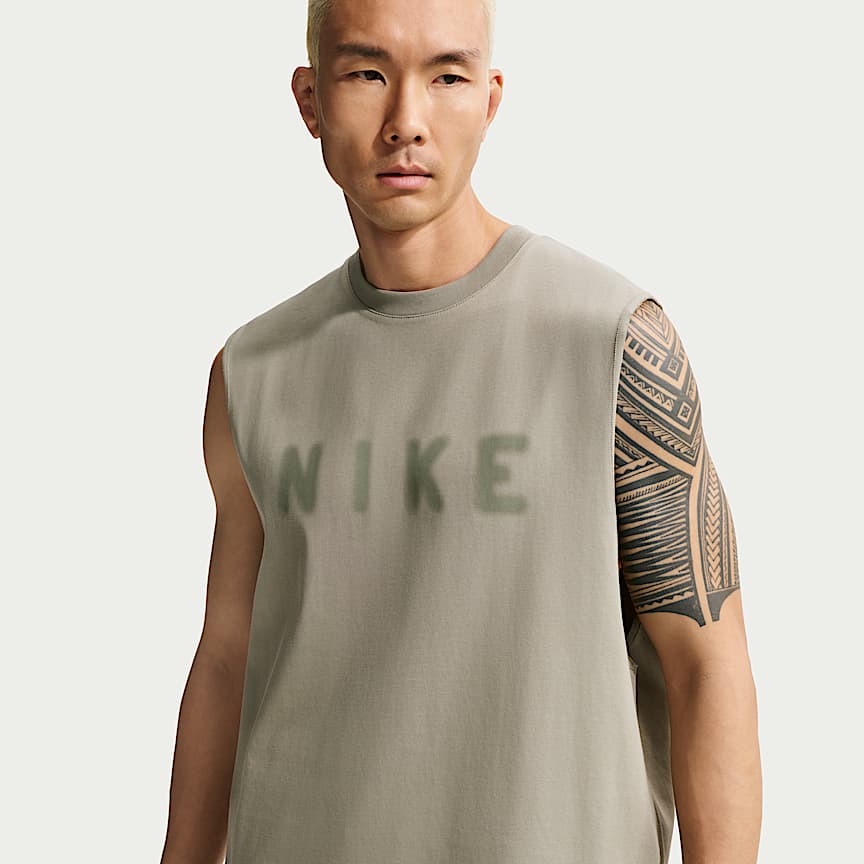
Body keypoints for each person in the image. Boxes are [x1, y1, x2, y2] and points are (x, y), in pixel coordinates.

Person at [160, 1, 762, 862]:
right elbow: (227, 656)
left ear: (489, 99)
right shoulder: (252, 370)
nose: (406, 121)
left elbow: (706, 664)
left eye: (446, 76)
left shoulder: (612, 340)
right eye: (367, 73)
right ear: (310, 100)